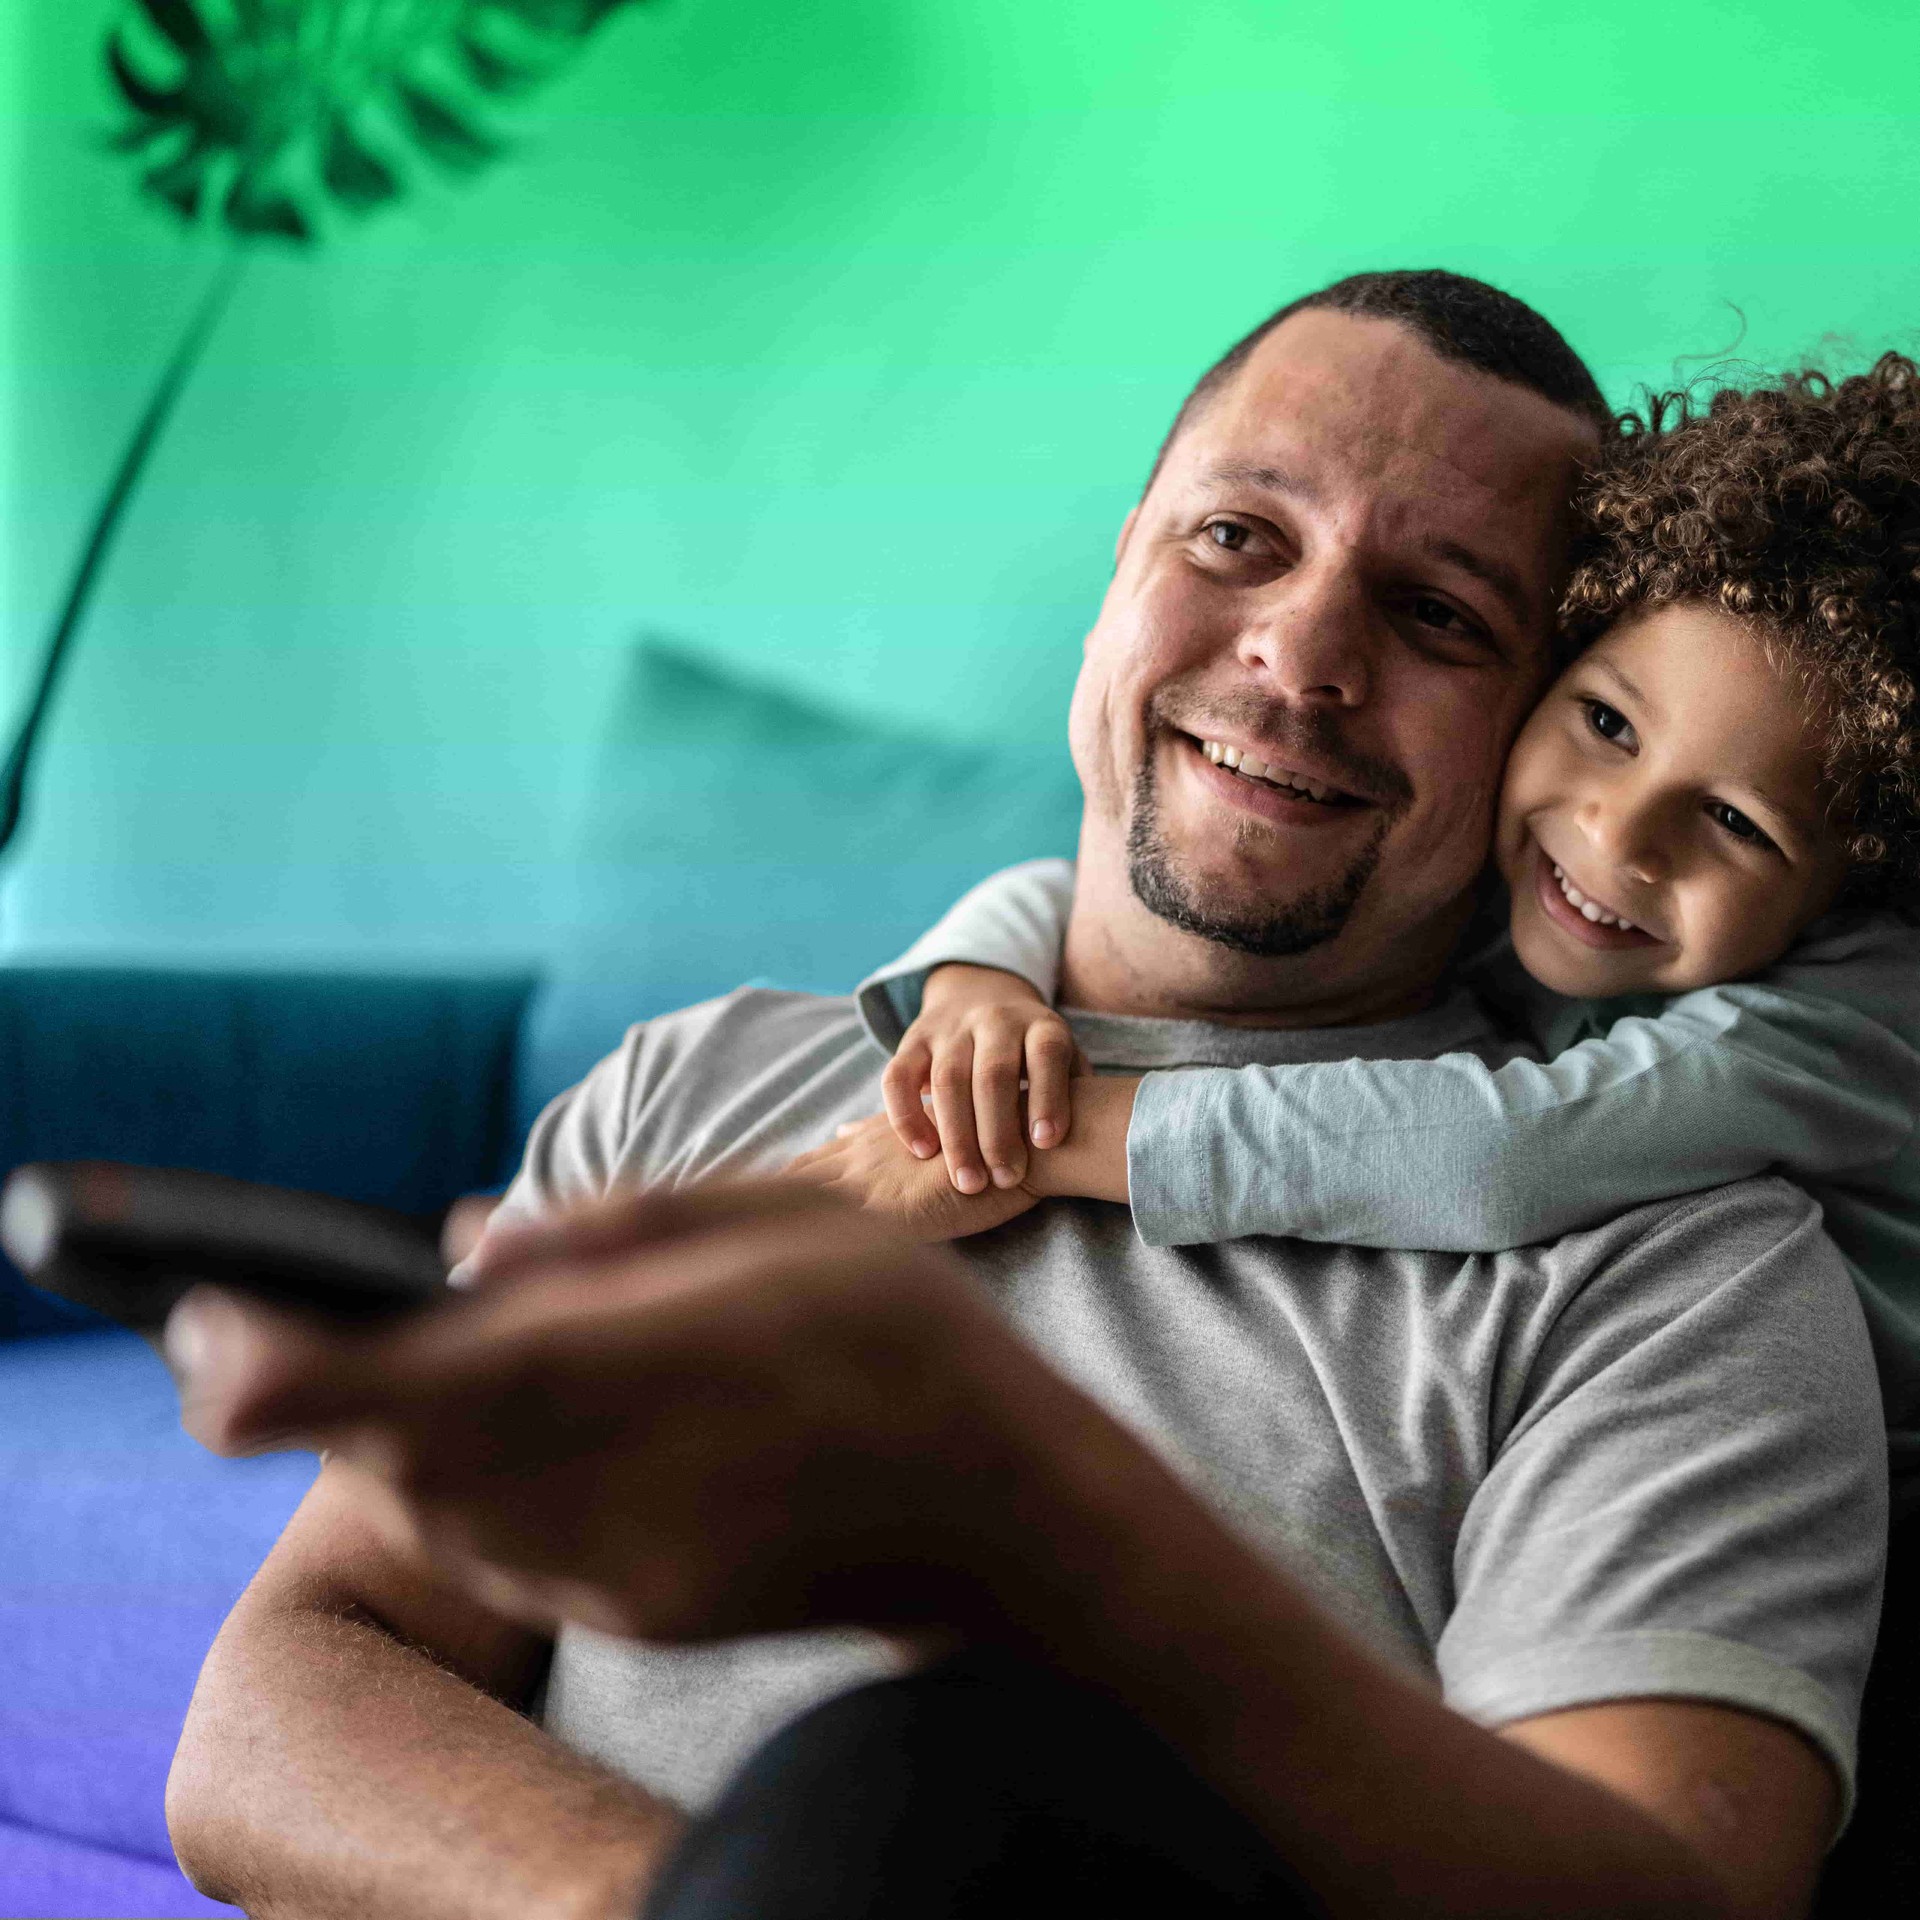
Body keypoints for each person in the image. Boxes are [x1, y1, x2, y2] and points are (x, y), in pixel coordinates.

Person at [164, 272, 1886, 1920]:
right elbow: (269, 1723)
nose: (1301, 655)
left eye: (1439, 613)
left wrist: (1031, 1532)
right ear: (1118, 574)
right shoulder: (707, 1082)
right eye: (1238, 537)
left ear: (1527, 725)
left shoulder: (1677, 1260)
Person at [842, 358, 1920, 1505]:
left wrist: (1051, 1132)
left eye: (1734, 821)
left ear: (1856, 885)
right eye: (1607, 721)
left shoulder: (1846, 1023)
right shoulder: (1565, 901)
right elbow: (1063, 878)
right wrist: (975, 986)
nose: (1618, 836)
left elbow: (1507, 1150)